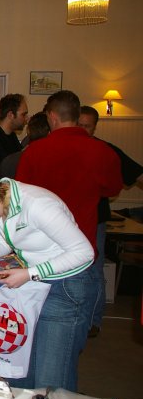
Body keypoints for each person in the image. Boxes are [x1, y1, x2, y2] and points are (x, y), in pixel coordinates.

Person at [0, 170, 96, 391]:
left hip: (66, 286)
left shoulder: (38, 204)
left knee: (51, 379)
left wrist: (30, 273)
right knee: (21, 370)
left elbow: (84, 252)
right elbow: (3, 239)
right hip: (35, 285)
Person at [16, 91, 123, 339]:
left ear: (52, 117)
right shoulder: (102, 151)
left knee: (34, 324)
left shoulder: (35, 151)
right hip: (80, 249)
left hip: (40, 250)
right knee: (72, 329)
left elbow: (19, 198)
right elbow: (113, 188)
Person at [78, 105, 143, 334]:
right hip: (67, 220)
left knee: (95, 267)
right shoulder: (66, 148)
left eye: (87, 126)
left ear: (95, 127)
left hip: (96, 218)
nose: (83, 130)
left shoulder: (105, 149)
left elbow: (135, 173)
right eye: (80, 125)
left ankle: (94, 321)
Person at [0, 112, 50, 179]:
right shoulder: (55, 159)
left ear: (28, 131)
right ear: (49, 132)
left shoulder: (10, 161)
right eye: (23, 114)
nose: (25, 119)